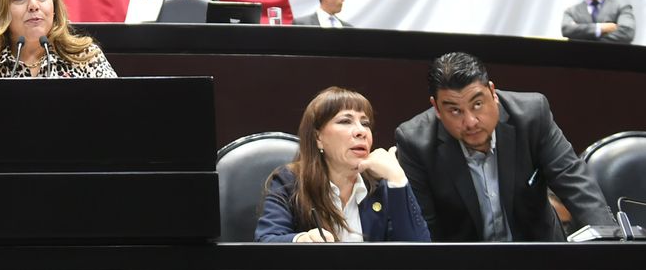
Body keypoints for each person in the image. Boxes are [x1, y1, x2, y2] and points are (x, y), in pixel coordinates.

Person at [394, 52, 616, 241]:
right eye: (455, 110)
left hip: (538, 254)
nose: (470, 121)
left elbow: (576, 184)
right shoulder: (415, 142)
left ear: (493, 93)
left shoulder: (531, 115)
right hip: (465, 261)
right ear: (436, 108)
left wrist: (611, 245)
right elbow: (424, 227)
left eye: (477, 104)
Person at [256, 87, 430, 243]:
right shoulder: (289, 182)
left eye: (365, 123)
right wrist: (302, 239)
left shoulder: (381, 186)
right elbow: (266, 240)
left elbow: (420, 253)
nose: (361, 131)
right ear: (318, 138)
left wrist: (398, 179)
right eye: (346, 121)